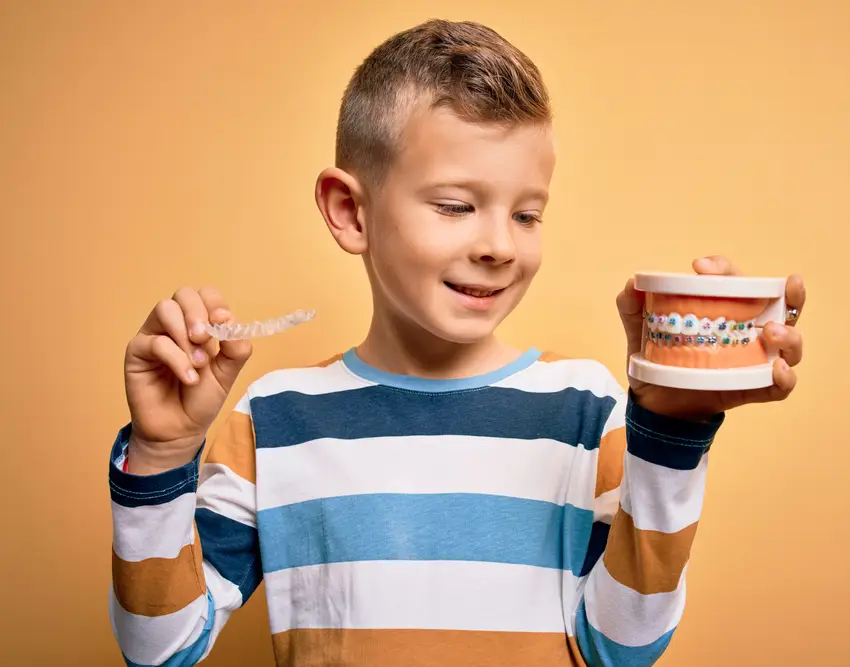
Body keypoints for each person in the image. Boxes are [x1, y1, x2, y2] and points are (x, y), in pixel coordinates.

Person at [107, 18, 806, 667]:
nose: (500, 245)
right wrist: (161, 455)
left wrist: (671, 435)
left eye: (527, 213)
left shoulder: (587, 409)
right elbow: (161, 647)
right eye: (455, 206)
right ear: (351, 210)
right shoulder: (273, 418)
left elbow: (625, 646)